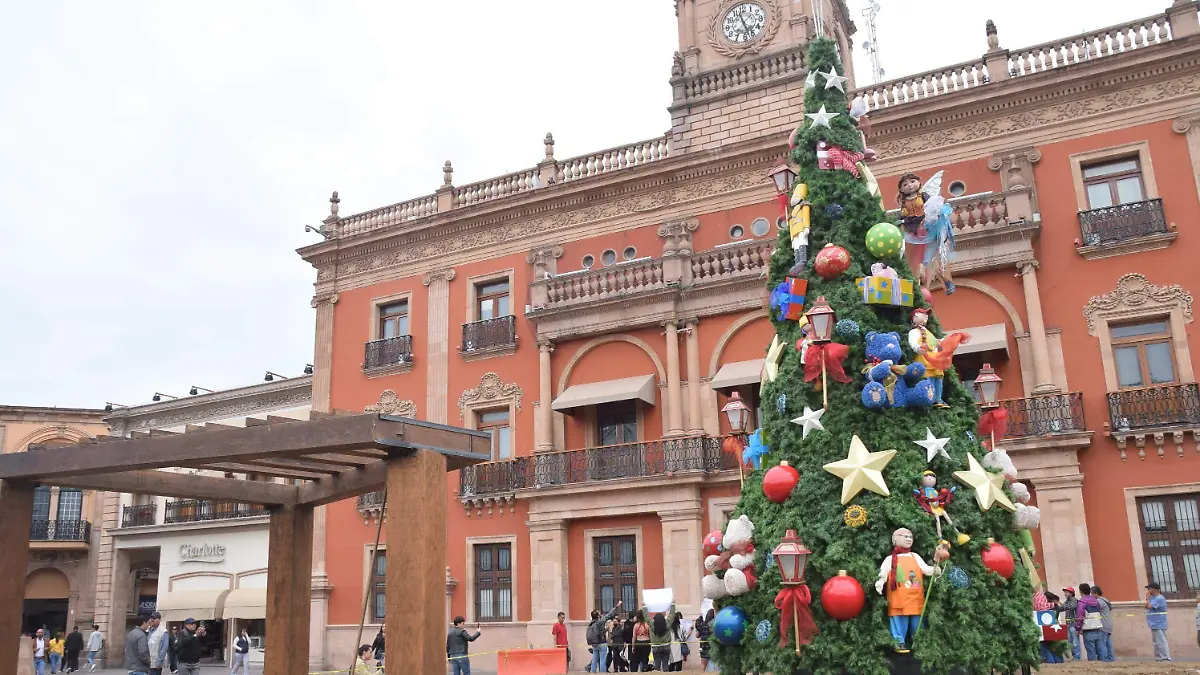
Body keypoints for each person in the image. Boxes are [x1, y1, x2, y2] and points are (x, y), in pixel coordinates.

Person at [587, 600, 622, 673]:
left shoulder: (591, 623)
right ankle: (602, 673)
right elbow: (609, 614)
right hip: (602, 643)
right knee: (602, 660)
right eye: (599, 612)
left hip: (594, 644)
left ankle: (593, 672)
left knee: (594, 660)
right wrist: (617, 606)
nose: (600, 613)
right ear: (597, 615)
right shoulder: (600, 621)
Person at [1075, 583, 1103, 660]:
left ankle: (1093, 668)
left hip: (1088, 629)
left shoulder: (1082, 602)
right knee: (1100, 650)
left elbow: (1080, 617)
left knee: (1091, 651)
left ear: (1080, 591)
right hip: (1097, 627)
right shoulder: (1096, 601)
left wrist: (1078, 628)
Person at [1146, 582, 1171, 661]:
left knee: (1161, 642)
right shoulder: (1153, 598)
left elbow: (1150, 606)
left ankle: (1165, 658)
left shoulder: (1159, 598)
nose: (1148, 590)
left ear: (1154, 589)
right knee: (1156, 642)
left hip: (1159, 623)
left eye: (1149, 588)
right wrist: (1148, 599)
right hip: (1153, 623)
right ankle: (1159, 658)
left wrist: (1147, 598)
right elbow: (1146, 606)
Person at [1092, 585, 1114, 662]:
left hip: (1103, 624)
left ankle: (1104, 659)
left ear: (1096, 593)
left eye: (1092, 593)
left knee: (1102, 644)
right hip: (1108, 624)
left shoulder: (1099, 601)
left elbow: (1093, 609)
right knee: (1108, 643)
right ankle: (1111, 658)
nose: (1091, 595)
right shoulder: (1106, 600)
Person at [1062, 586, 1080, 660]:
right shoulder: (1066, 601)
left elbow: (1071, 607)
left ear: (1071, 593)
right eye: (1065, 592)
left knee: (1075, 642)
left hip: (1074, 624)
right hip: (1068, 624)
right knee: (1070, 642)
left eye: (1067, 592)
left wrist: (1061, 605)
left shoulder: (1074, 600)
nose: (1065, 594)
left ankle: (1077, 657)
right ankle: (1074, 656)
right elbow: (1061, 608)